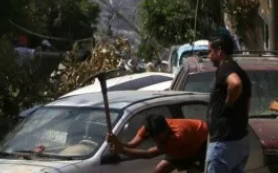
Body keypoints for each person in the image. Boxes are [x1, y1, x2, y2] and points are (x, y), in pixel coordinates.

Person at [205, 34, 252, 173]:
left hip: (224, 143)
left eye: (210, 52)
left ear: (219, 51)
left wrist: (228, 105)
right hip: (239, 140)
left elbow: (235, 84)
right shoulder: (241, 71)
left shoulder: (226, 67)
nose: (209, 57)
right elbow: (248, 103)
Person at [106, 114, 208, 173]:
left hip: (203, 143)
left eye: (159, 138)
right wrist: (118, 142)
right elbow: (132, 144)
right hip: (183, 146)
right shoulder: (148, 128)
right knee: (159, 171)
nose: (157, 142)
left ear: (165, 130)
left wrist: (121, 150)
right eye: (154, 139)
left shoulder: (177, 136)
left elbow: (148, 154)